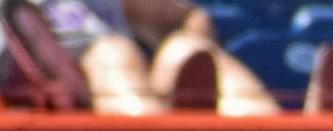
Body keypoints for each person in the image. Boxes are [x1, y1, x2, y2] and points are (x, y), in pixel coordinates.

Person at [1, 0, 301, 115]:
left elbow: (189, 16)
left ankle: (263, 128)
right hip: (78, 111)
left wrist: (192, 43)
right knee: (115, 53)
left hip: (147, 89)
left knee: (188, 49)